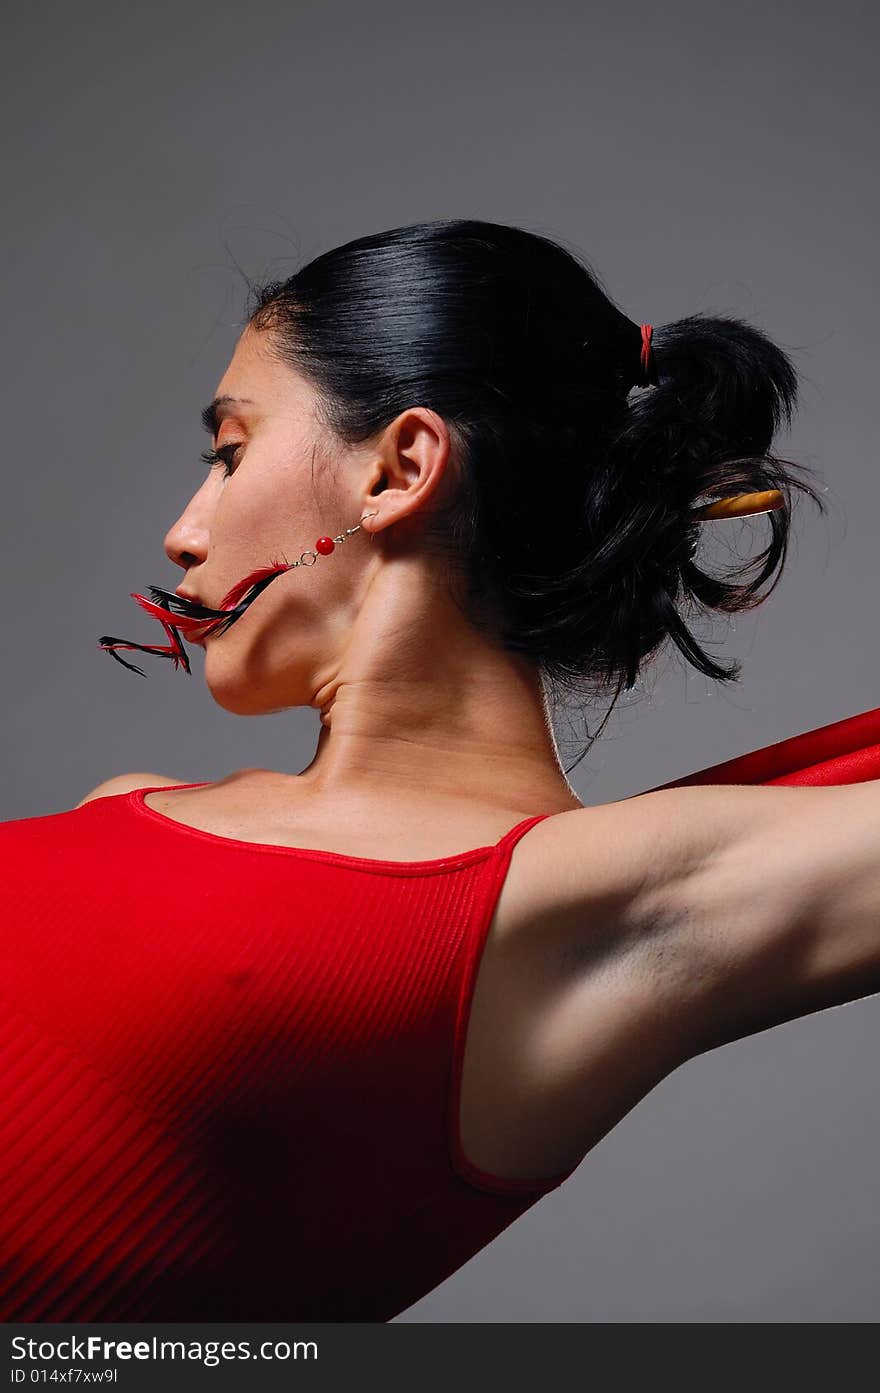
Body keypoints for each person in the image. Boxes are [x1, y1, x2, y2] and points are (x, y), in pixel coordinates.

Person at [2, 218, 877, 1323]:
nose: (184, 533)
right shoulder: (121, 809)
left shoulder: (578, 910)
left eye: (230, 452)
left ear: (399, 467)